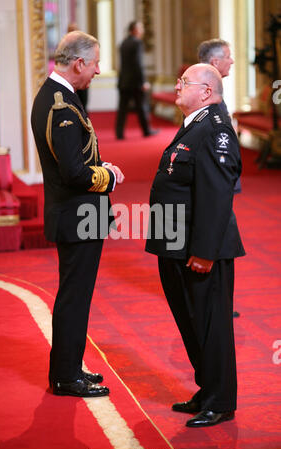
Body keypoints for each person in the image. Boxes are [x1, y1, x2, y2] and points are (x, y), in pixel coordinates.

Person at [145, 64, 245, 427]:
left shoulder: (215, 129)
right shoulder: (196, 123)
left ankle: (221, 401)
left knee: (211, 324)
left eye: (183, 82)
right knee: (190, 320)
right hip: (177, 243)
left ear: (205, 91)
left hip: (200, 249)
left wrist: (203, 251)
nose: (176, 85)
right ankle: (208, 389)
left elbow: (217, 195)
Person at [31, 30, 124, 397]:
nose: (98, 71)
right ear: (78, 63)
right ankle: (66, 376)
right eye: (96, 63)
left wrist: (99, 165)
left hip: (77, 214)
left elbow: (77, 157)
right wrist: (109, 178)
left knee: (76, 296)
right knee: (74, 297)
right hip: (77, 216)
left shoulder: (61, 97)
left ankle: (69, 369)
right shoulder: (59, 104)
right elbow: (72, 172)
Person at [198, 39, 242, 318]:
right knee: (218, 237)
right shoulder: (210, 100)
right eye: (228, 56)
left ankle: (221, 301)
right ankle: (218, 302)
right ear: (215, 63)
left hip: (220, 183)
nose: (232, 61)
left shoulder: (215, 97)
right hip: (217, 185)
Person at [115, 21, 158, 139]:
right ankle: (146, 130)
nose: (142, 30)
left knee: (122, 109)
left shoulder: (123, 43)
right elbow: (138, 64)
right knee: (142, 107)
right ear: (134, 30)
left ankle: (119, 133)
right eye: (141, 28)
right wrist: (143, 81)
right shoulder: (137, 43)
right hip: (135, 82)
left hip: (123, 81)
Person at [67, 22, 89, 113]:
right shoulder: (64, 47)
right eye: (71, 30)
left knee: (83, 106)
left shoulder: (84, 46)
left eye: (75, 30)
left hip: (82, 79)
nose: (73, 32)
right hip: (70, 81)